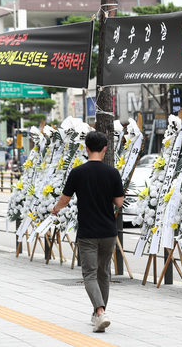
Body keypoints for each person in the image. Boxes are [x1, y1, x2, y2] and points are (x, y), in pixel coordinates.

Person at [50, 131, 124, 333]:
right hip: (109, 232)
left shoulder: (77, 172)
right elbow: (119, 202)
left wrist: (55, 209)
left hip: (88, 232)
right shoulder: (113, 173)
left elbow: (65, 199)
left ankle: (100, 312)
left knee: (90, 274)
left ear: (86, 148)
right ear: (105, 149)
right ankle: (98, 314)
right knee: (103, 274)